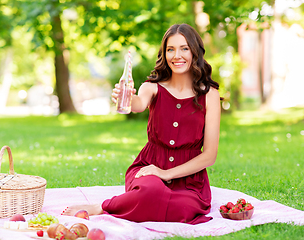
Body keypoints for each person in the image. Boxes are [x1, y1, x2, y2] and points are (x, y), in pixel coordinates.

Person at [63, 23, 221, 224]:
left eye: (184, 48)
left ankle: (118, 205)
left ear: (195, 52)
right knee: (151, 192)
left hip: (189, 181)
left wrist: (165, 174)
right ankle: (102, 207)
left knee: (183, 207)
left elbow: (209, 155)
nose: (176, 55)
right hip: (149, 168)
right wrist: (126, 98)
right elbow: (137, 104)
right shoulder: (152, 87)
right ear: (164, 54)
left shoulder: (210, 96)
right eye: (170, 49)